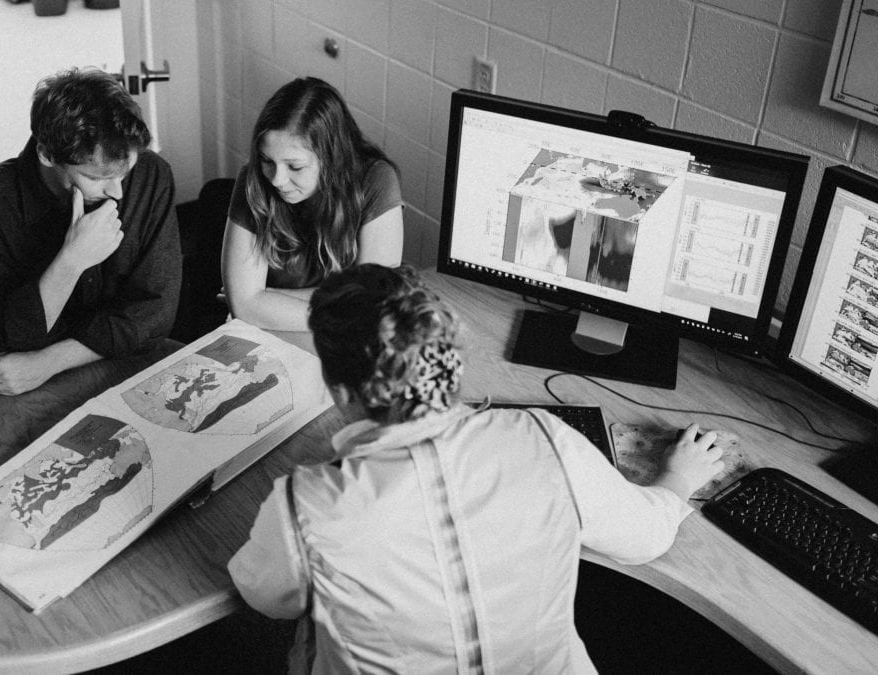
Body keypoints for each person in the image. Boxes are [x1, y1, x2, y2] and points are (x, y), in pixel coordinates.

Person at [228, 264, 724, 673]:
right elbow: (646, 538)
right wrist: (678, 477)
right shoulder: (543, 438)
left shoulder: (308, 507)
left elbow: (264, 593)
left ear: (339, 392)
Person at [0, 67, 181, 395]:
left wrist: (48, 361)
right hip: (24, 393)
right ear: (47, 153)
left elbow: (154, 313)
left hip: (125, 370)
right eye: (98, 178)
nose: (117, 192)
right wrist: (70, 263)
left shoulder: (151, 175)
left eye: (125, 172)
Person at [221, 77, 403, 331]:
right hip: (271, 334)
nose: (277, 179)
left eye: (295, 166)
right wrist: (346, 307)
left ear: (332, 158)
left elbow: (374, 300)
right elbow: (244, 306)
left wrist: (267, 296)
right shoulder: (253, 181)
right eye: (266, 160)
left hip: (332, 337)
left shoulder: (376, 179)